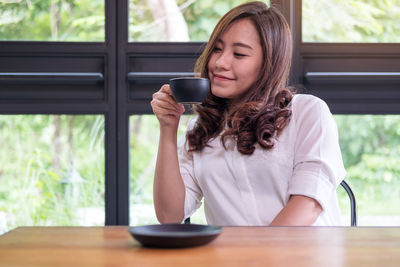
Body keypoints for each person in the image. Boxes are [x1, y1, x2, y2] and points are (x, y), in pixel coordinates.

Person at [150, 1, 346, 226]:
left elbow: (308, 204)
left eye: (239, 54)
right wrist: (168, 127)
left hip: (303, 257)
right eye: (217, 49)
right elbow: (170, 215)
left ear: (268, 63)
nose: (220, 63)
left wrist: (256, 257)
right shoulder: (200, 128)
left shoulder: (307, 113)